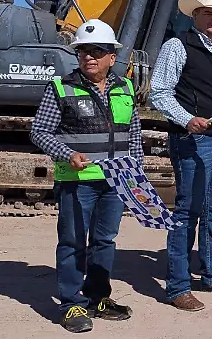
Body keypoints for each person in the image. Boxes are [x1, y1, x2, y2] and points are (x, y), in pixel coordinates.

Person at [30, 20, 138, 333]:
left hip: (114, 182)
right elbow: (39, 131)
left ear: (111, 56)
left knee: (105, 241)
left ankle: (97, 297)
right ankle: (70, 303)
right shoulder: (61, 87)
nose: (89, 57)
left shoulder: (125, 87)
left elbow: (132, 134)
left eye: (96, 51)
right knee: (73, 242)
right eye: (83, 52)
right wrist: (67, 154)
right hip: (77, 183)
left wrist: (136, 174)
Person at [150, 0, 212, 312]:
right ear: (195, 16)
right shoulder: (177, 47)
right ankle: (178, 286)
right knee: (187, 211)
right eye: (208, 13)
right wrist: (187, 119)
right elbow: (159, 92)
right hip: (191, 140)